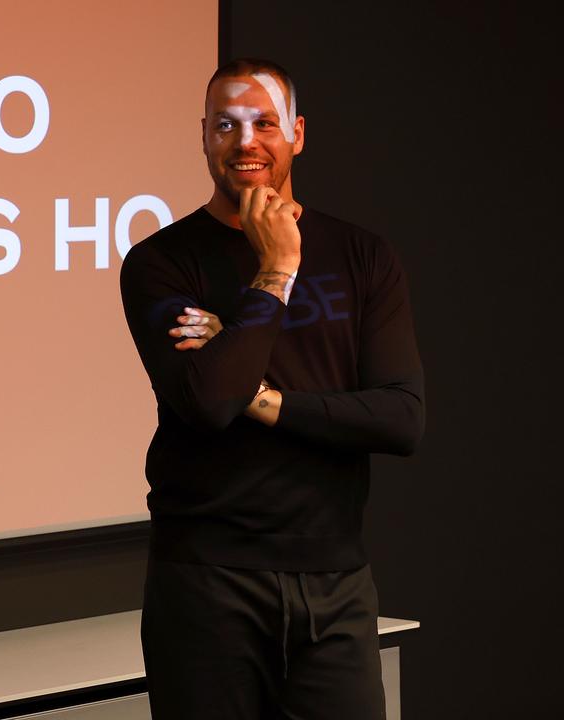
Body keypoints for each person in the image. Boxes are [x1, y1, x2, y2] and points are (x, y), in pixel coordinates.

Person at [119, 57, 423, 719]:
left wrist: (259, 397)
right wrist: (278, 269)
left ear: (298, 133)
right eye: (225, 124)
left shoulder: (363, 256)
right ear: (204, 136)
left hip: (336, 581)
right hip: (206, 584)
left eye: (264, 122)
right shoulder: (161, 263)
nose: (245, 140)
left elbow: (399, 417)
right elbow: (205, 402)